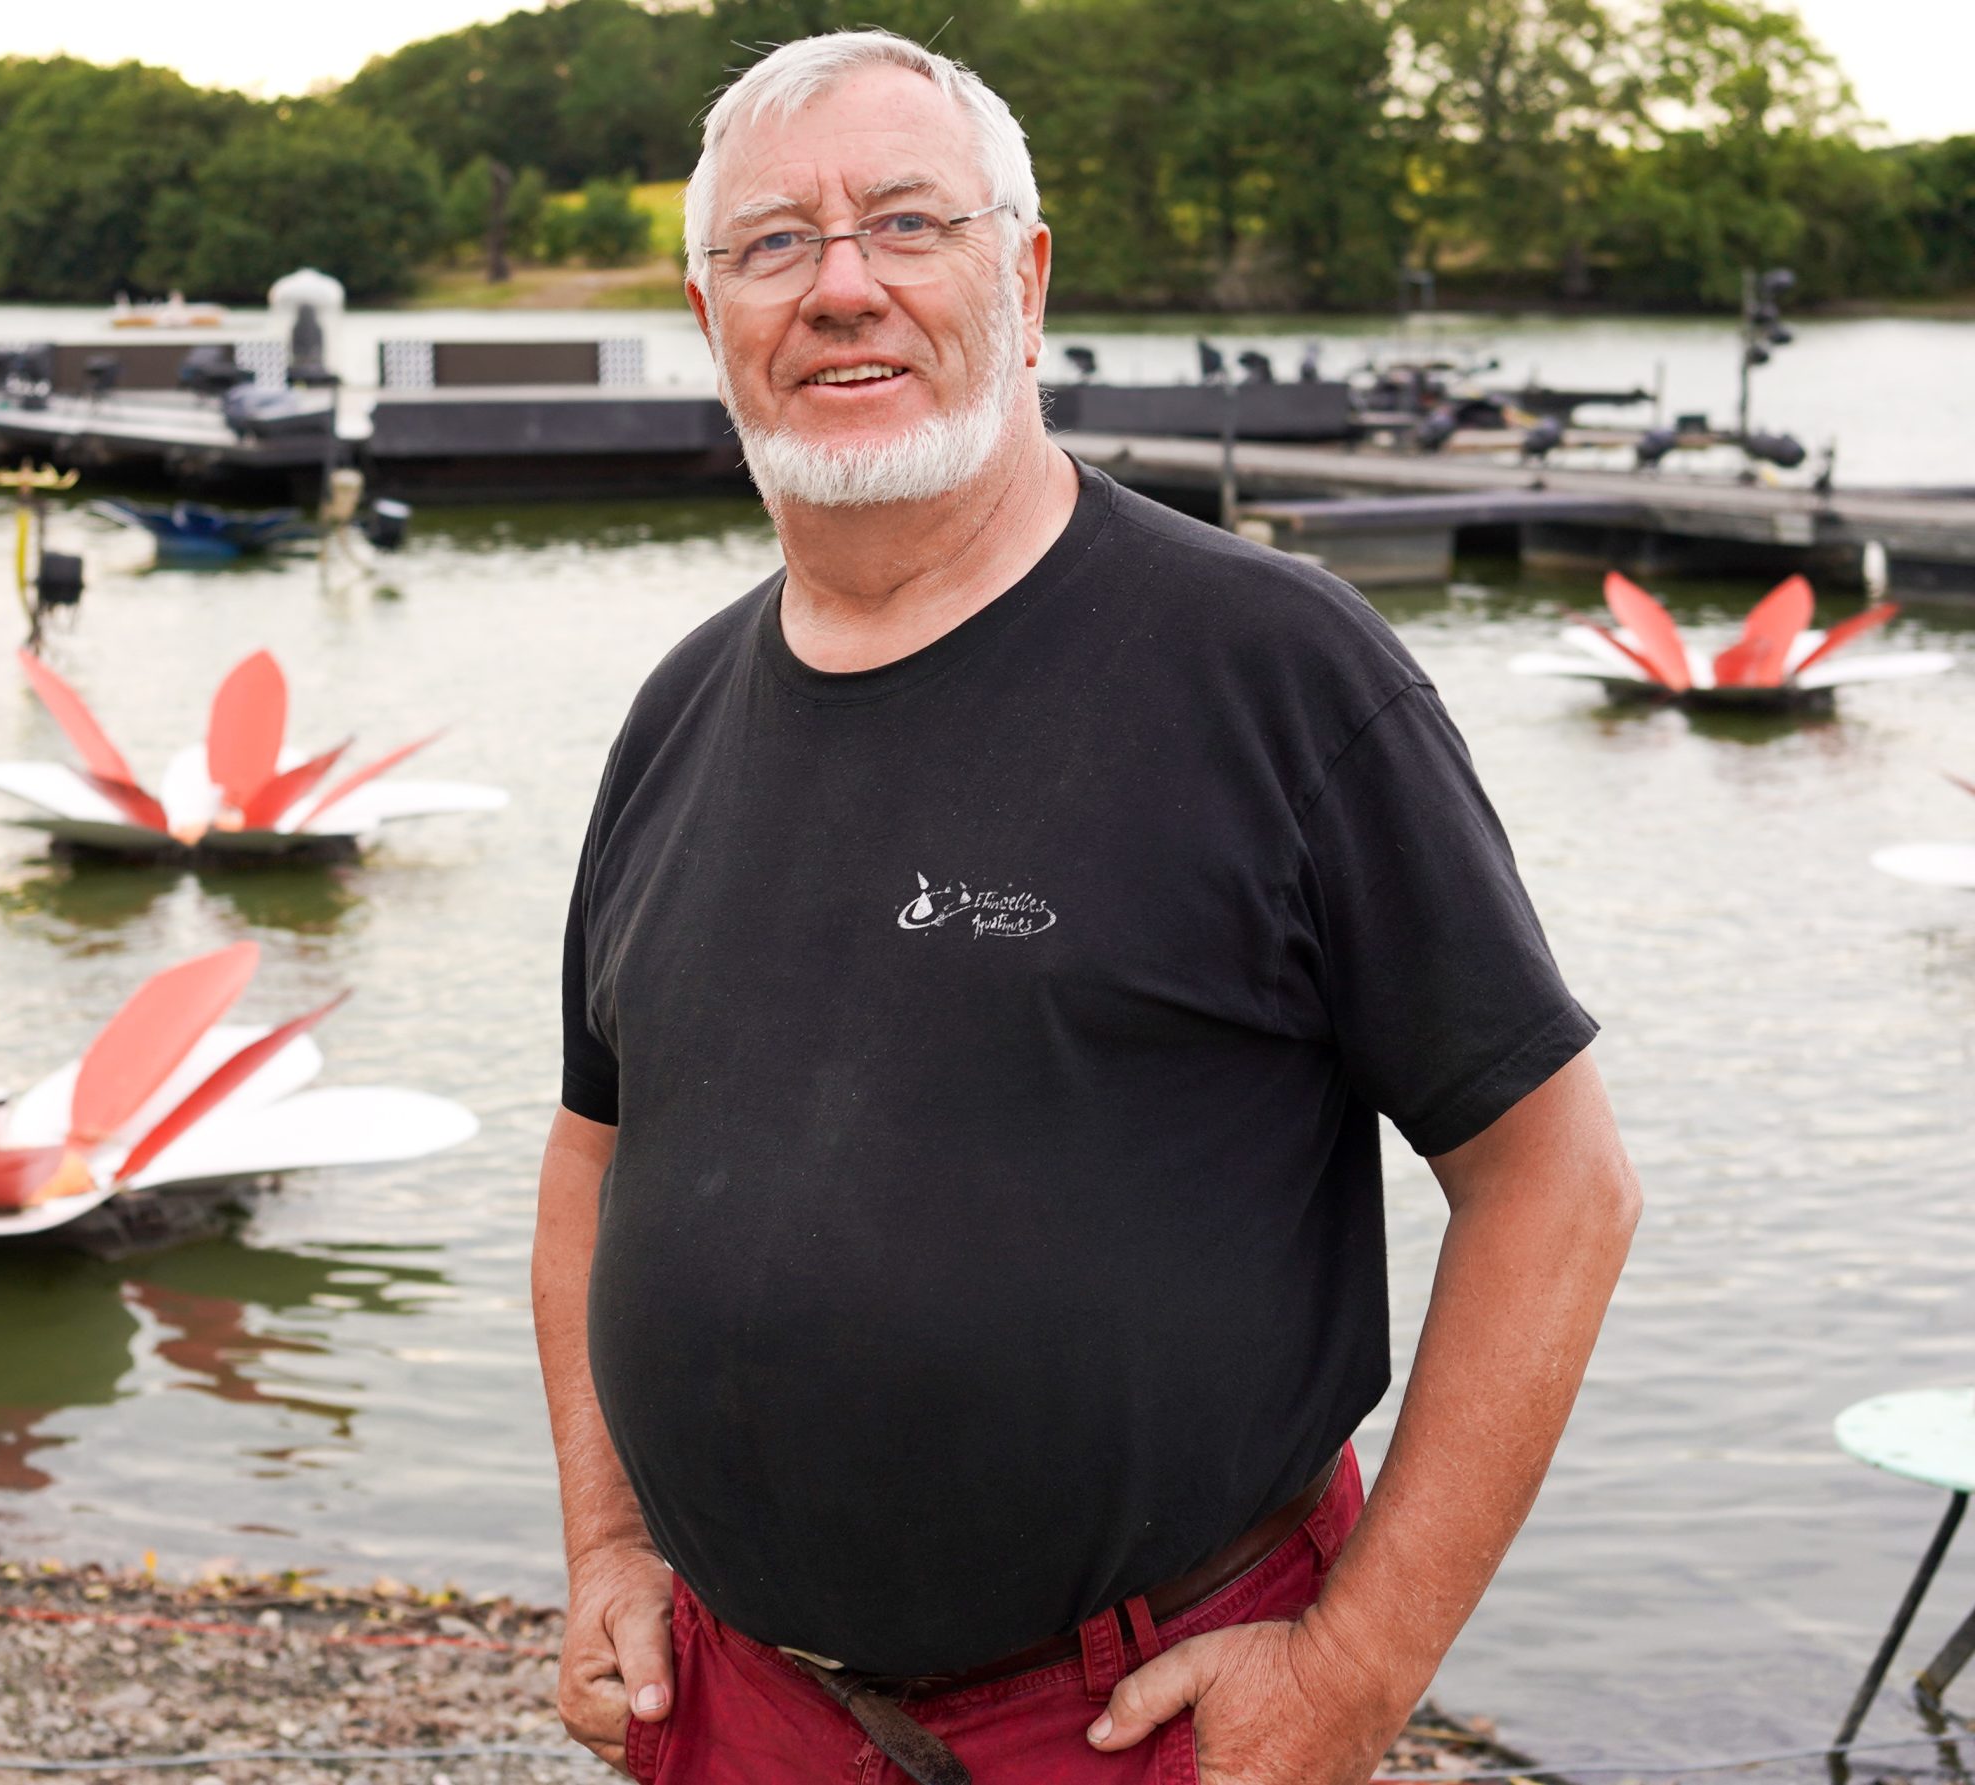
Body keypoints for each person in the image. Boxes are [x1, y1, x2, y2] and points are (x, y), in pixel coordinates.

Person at [534, 30, 1641, 1785]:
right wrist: (606, 1543)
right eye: (773, 245)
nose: (841, 288)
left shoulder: (1275, 673)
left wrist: (1357, 1672)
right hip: (730, 1707)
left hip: (1132, 1723)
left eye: (908, 223)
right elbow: (595, 1161)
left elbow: (1555, 1183)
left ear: (1026, 277)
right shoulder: (675, 711)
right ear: (709, 316)